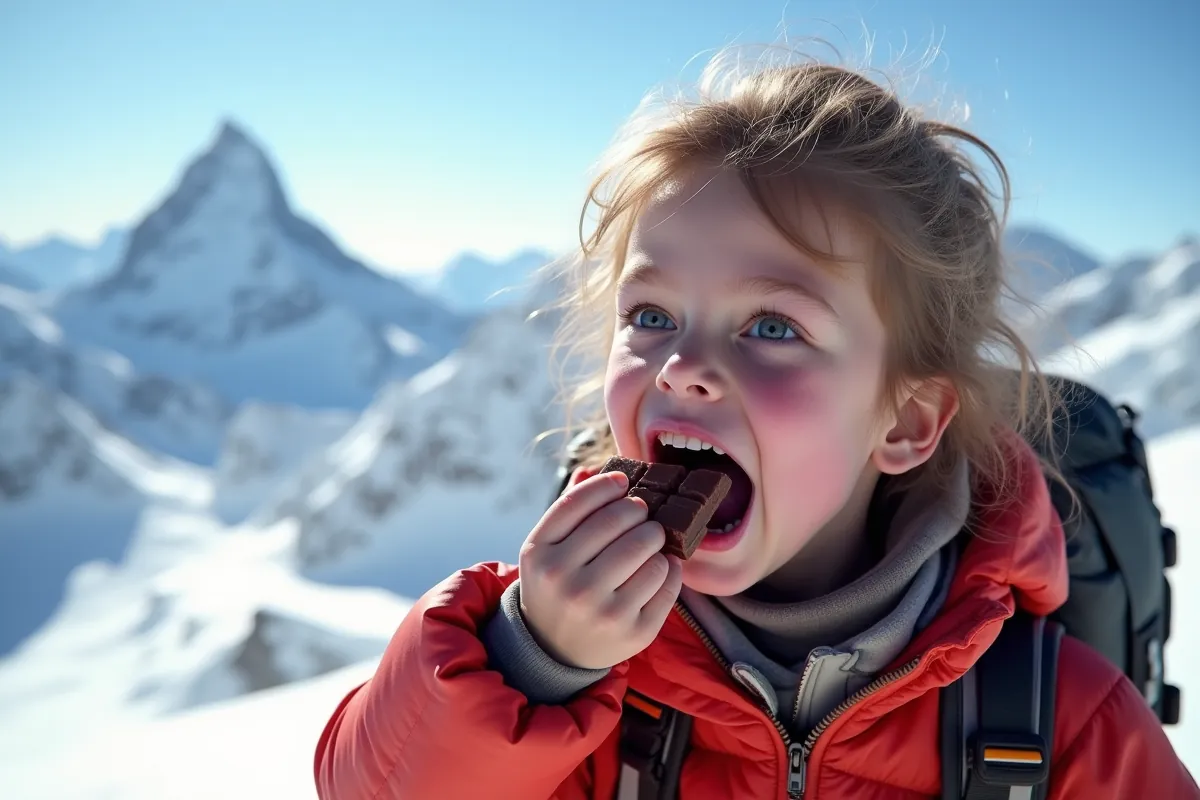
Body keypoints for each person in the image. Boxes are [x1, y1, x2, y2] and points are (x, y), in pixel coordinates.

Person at [312, 49, 1197, 799]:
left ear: (907, 420)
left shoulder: (1066, 719)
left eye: (773, 327)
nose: (681, 366)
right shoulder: (573, 682)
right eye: (651, 315)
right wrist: (530, 662)